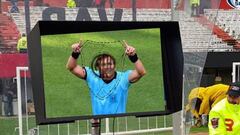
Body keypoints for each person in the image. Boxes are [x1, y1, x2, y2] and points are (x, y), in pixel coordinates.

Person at [66, 40, 146, 115]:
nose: (108, 67)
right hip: (99, 124)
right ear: (98, 67)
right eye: (104, 65)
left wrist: (133, 56)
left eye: (110, 64)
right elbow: (72, 67)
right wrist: (75, 53)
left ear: (114, 66)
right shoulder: (92, 76)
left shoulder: (123, 78)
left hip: (118, 124)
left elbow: (141, 72)